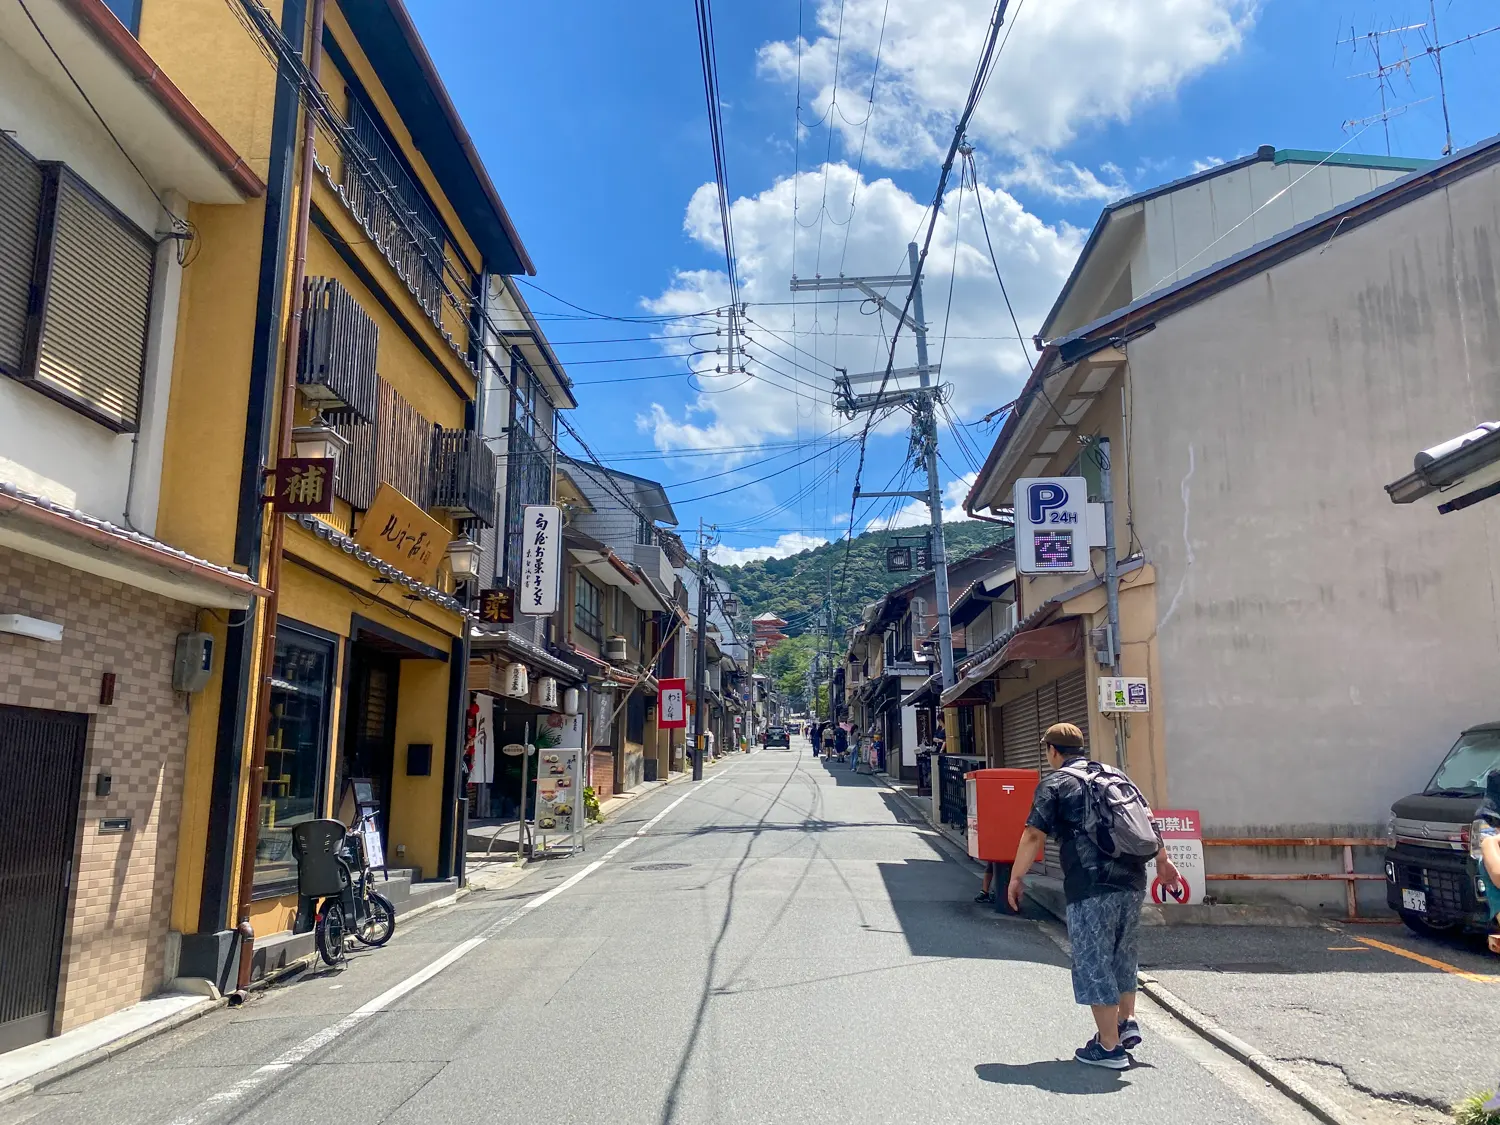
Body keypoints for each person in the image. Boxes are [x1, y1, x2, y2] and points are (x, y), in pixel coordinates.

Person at [1007, 723, 1182, 1070]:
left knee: (1094, 960)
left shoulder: (1056, 783)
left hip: (1090, 885)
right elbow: (1147, 819)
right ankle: (1124, 1021)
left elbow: (1032, 835)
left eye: (1047, 750)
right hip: (1133, 880)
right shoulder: (1114, 775)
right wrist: (1163, 861)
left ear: (1053, 751)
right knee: (1122, 953)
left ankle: (1109, 1048)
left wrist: (1015, 876)